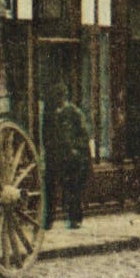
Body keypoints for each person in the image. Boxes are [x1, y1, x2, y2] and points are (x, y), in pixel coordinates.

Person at [50, 86, 93, 230]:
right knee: (67, 189)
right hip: (62, 158)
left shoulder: (74, 112)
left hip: (74, 158)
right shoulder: (57, 114)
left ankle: (75, 219)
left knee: (74, 189)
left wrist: (76, 149)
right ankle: (70, 217)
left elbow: (84, 134)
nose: (58, 101)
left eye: (60, 97)